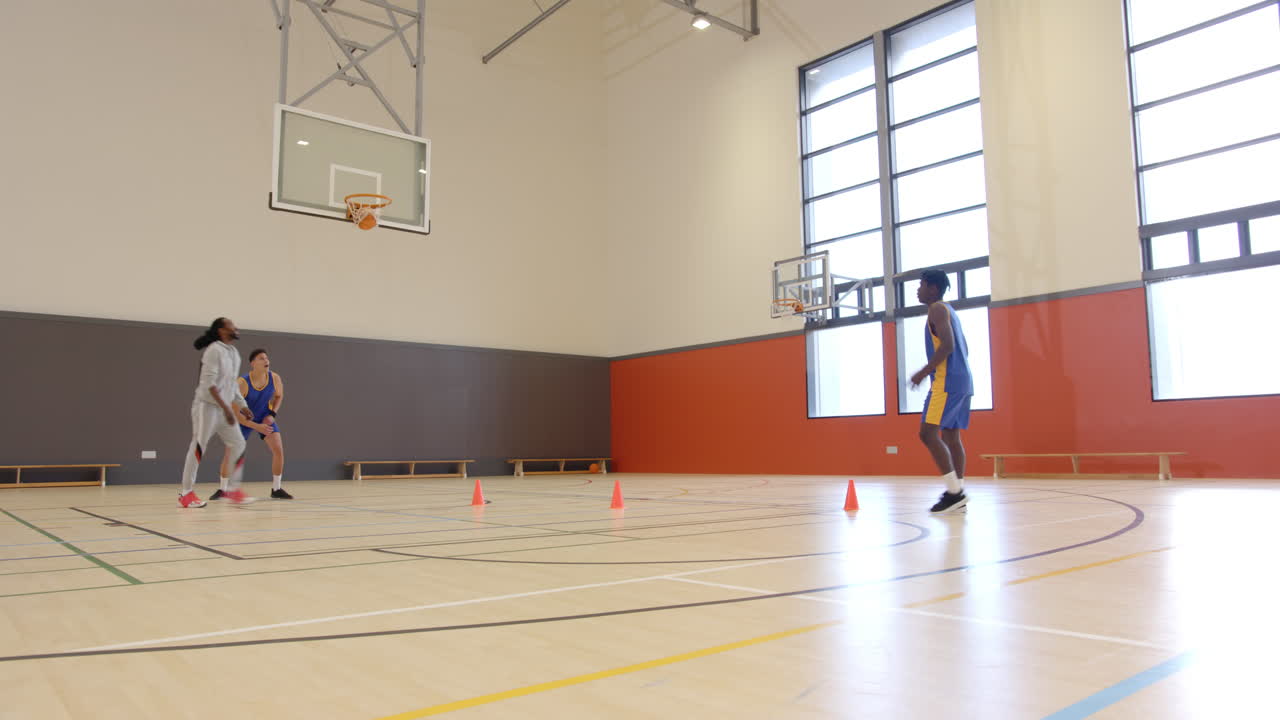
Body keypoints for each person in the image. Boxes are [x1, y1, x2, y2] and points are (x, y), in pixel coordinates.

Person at [909, 269, 973, 514]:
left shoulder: (936, 309)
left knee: (927, 434)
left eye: (921, 284)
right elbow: (964, 347)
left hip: (946, 382)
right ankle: (958, 494)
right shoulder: (950, 310)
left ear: (933, 288)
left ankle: (954, 493)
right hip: (963, 380)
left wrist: (924, 372)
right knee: (951, 437)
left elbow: (948, 345)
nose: (918, 289)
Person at [178, 318, 256, 507]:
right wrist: (227, 408)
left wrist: (242, 405)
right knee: (199, 446)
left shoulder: (234, 353)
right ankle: (186, 493)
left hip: (224, 409)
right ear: (222, 330)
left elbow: (231, 384)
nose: (236, 327)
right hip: (206, 406)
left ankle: (232, 489)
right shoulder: (214, 351)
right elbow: (209, 385)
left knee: (238, 443)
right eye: (232, 325)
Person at [214, 348, 292, 500]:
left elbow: (279, 396)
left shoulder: (274, 378)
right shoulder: (242, 383)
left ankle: (276, 489)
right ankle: (223, 489)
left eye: (267, 358)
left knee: (278, 449)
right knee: (230, 454)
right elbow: (237, 414)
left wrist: (272, 414)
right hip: (242, 419)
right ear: (253, 363)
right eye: (262, 358)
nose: (266, 361)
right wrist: (257, 426)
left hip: (263, 416)